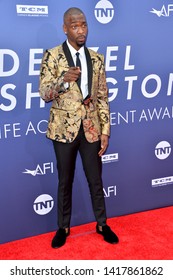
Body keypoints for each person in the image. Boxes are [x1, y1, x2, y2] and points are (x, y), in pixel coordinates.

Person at [39, 7, 119, 248]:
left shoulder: (96, 58)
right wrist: (63, 80)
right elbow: (44, 93)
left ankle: (102, 224)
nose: (81, 30)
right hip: (63, 130)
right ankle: (63, 227)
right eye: (75, 26)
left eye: (83, 25)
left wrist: (105, 130)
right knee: (65, 181)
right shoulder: (52, 56)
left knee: (96, 179)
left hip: (91, 128)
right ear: (65, 28)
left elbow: (102, 97)